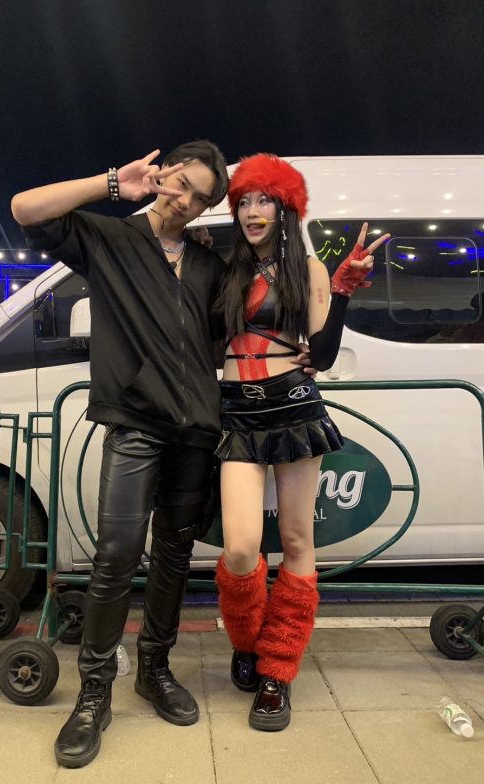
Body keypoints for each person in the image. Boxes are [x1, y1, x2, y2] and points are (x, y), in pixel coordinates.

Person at [11, 141, 231, 767]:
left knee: (175, 554)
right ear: (164, 173)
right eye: (181, 183)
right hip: (134, 423)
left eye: (201, 198)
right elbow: (25, 208)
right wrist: (114, 183)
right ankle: (94, 693)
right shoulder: (110, 238)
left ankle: (154, 669)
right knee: (115, 555)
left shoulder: (207, 263)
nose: (185, 201)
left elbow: (225, 335)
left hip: (197, 430)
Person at [214, 153, 390, 732]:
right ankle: (247, 642)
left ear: (285, 207)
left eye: (264, 200)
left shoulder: (307, 269)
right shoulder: (226, 270)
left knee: (295, 538)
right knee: (241, 547)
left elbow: (326, 355)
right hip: (238, 413)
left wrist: (342, 290)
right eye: (243, 201)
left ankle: (278, 670)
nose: (252, 212)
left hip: (293, 409)